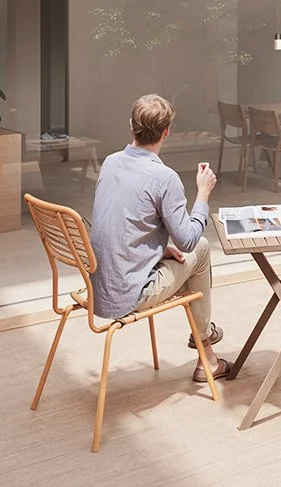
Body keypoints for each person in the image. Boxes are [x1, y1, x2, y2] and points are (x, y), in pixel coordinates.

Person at [89, 94, 229, 380]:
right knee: (200, 249)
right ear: (167, 131)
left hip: (97, 286)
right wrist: (203, 193)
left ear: (131, 126)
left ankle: (206, 346)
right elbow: (187, 241)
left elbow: (120, 225)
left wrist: (157, 249)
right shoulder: (164, 178)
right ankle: (206, 351)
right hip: (129, 294)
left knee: (185, 257)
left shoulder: (111, 162)